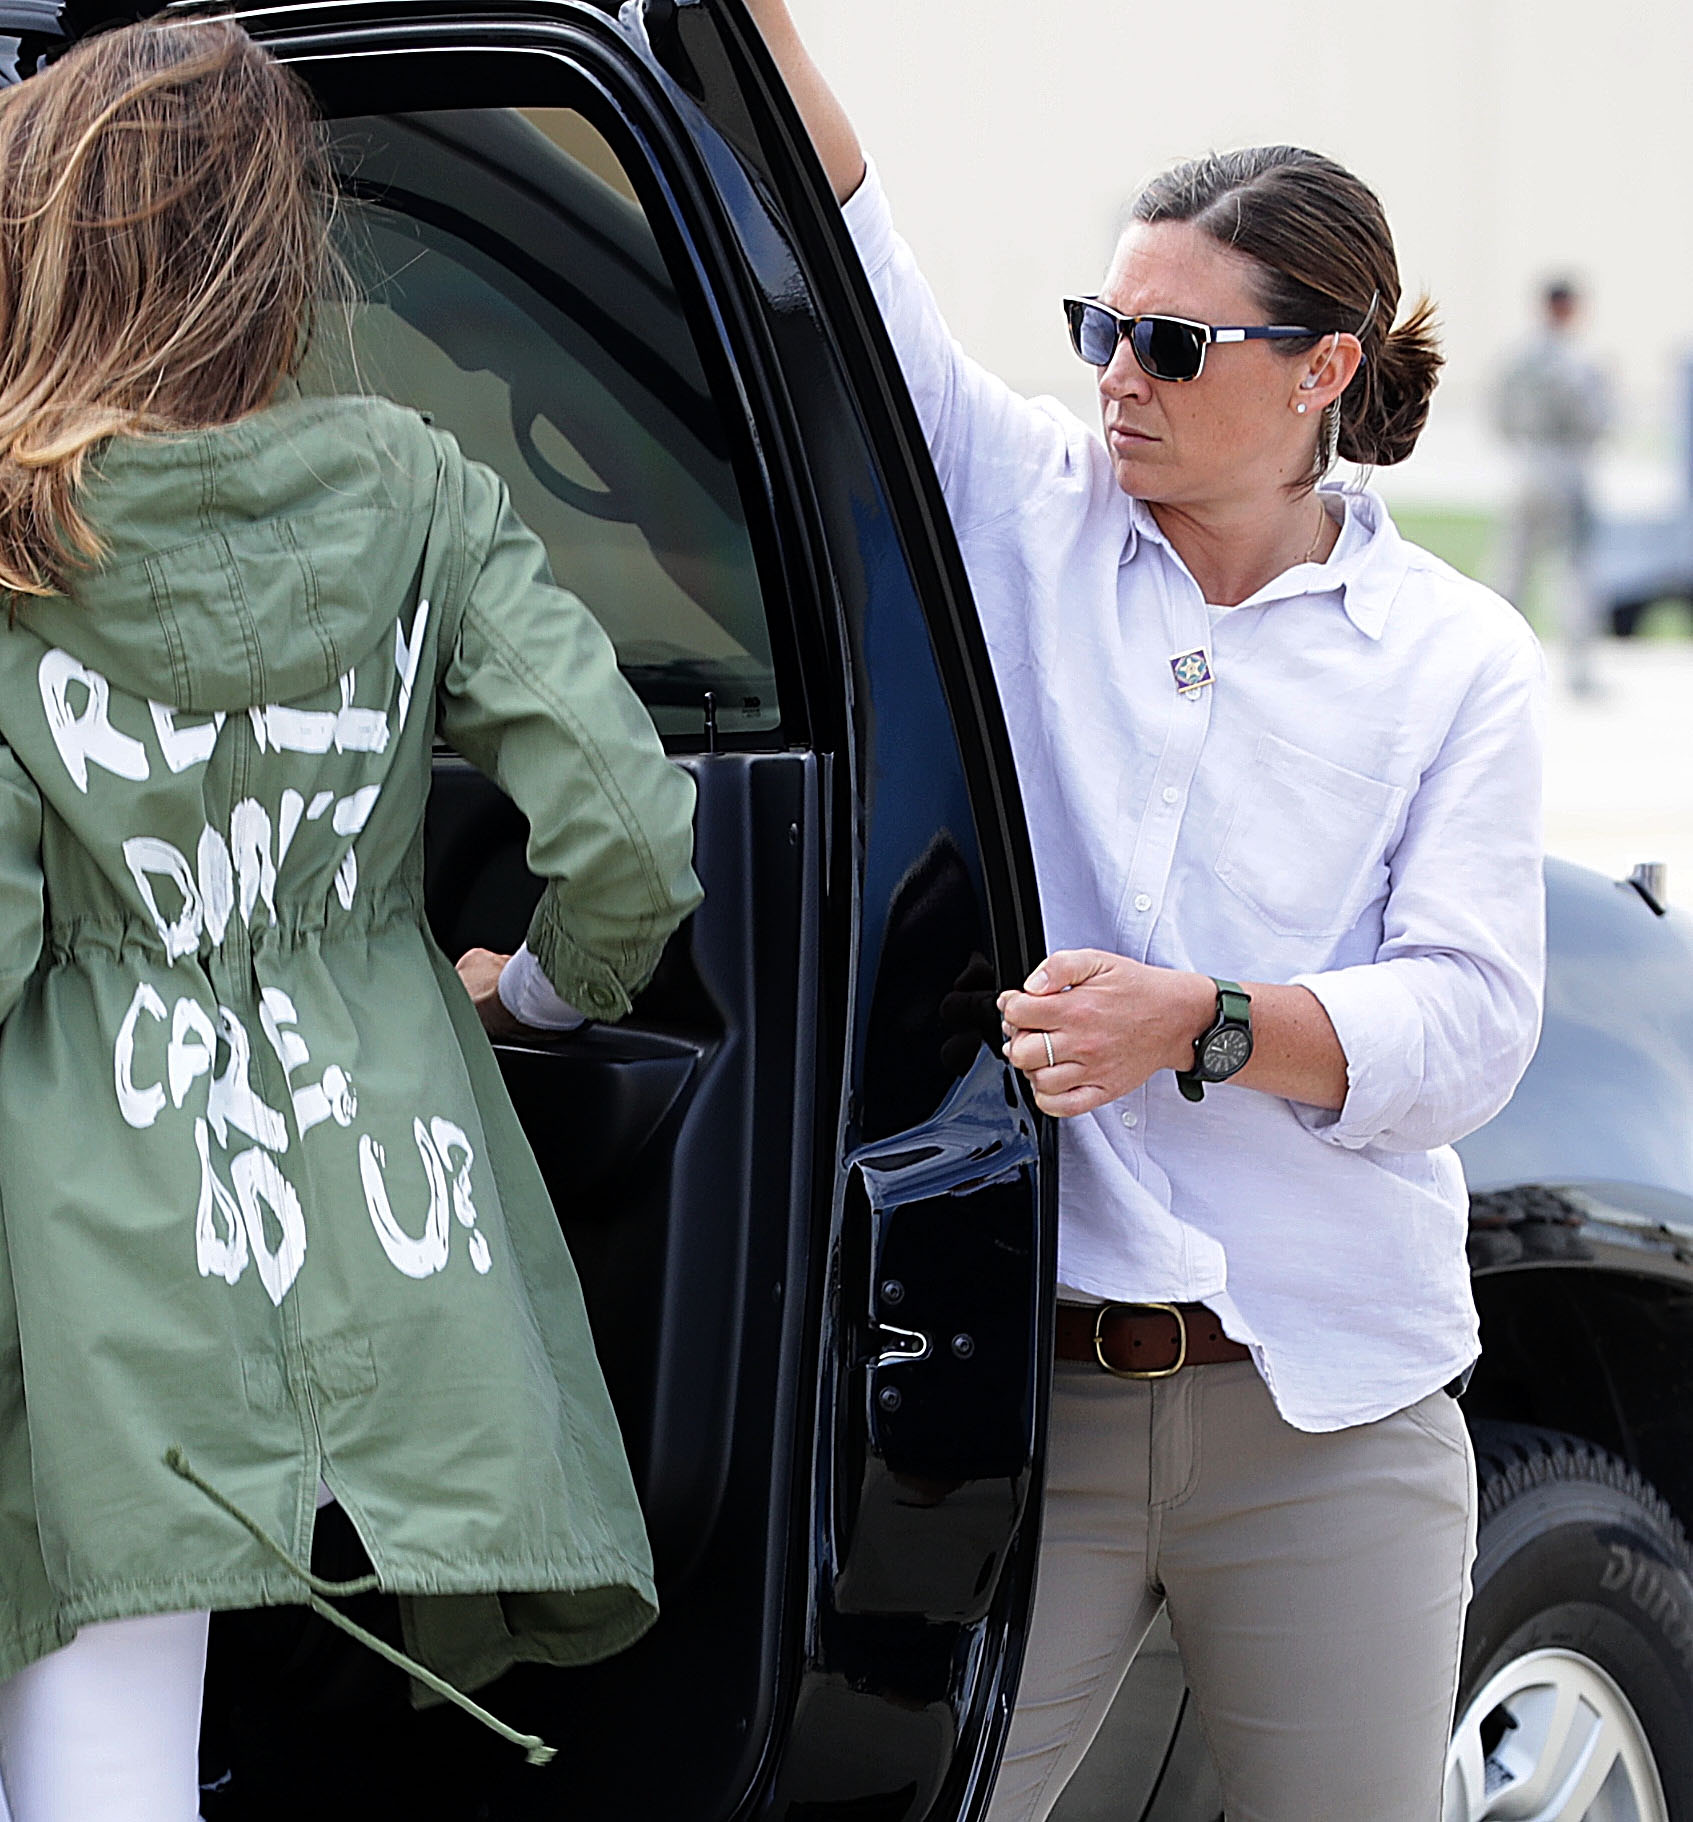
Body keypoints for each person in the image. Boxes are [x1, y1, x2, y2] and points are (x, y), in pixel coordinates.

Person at [0, 18, 702, 1819]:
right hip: (379, 1211)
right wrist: (535, 1004)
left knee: (61, 1766)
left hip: (81, 1241)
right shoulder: (415, 486)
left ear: (36, 246)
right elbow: (636, 849)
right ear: (271, 244)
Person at [746, 7, 1545, 1818]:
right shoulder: (1028, 509)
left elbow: (1471, 1023)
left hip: (1328, 1408)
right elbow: (844, 243)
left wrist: (1202, 1020)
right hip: (1041, 1402)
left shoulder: (1449, 662)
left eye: (1170, 343)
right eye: (1099, 327)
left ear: (1319, 368)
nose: (1118, 372)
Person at [1492, 278, 1614, 686]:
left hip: (1528, 463)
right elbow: (1597, 421)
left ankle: (1499, 665)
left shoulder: (1520, 359)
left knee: (1514, 565)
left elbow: (1501, 415)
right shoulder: (1580, 363)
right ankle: (1580, 672)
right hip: (1566, 466)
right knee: (1576, 570)